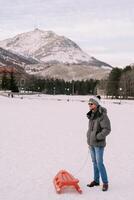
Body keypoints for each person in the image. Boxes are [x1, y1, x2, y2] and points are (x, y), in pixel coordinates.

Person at [86, 96, 111, 191]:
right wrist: (89, 140)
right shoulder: (92, 115)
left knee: (99, 163)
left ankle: (105, 183)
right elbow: (91, 129)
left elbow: (107, 129)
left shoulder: (102, 115)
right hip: (91, 143)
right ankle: (96, 181)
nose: (89, 105)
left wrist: (98, 137)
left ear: (96, 104)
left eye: (91, 104)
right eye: (89, 104)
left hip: (99, 144)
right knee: (94, 163)